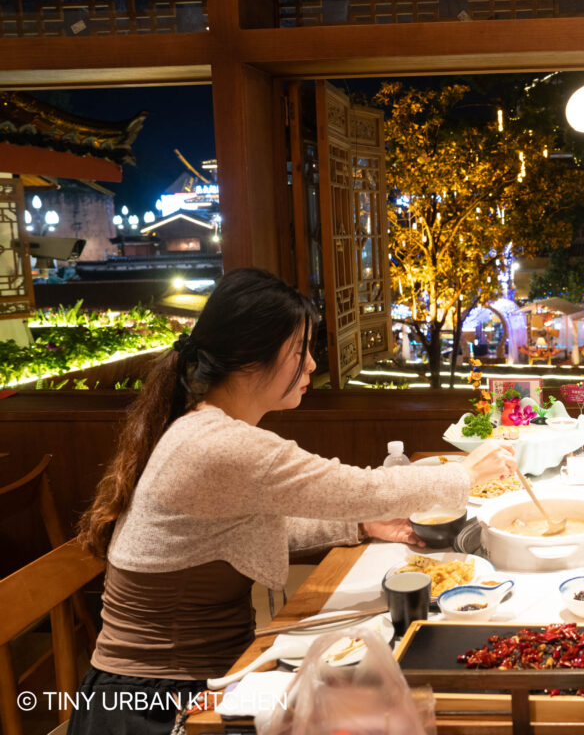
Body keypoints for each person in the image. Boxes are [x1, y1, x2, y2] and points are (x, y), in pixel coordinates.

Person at [69, 268, 516, 735]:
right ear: (250, 356)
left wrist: (361, 528)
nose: (309, 365)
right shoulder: (220, 444)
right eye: (300, 350)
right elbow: (357, 488)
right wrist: (462, 474)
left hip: (204, 678)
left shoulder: (202, 427)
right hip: (155, 706)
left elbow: (242, 533)